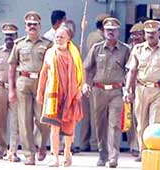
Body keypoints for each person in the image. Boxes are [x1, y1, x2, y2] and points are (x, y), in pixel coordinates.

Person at [124, 19, 160, 162]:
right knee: (141, 124)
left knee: (156, 124)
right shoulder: (138, 49)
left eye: (153, 33)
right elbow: (132, 71)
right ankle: (143, 152)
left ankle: (155, 154)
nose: (150, 35)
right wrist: (128, 90)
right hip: (141, 89)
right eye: (148, 33)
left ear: (159, 33)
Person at [83, 17, 130, 168]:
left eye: (113, 30)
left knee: (115, 124)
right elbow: (87, 67)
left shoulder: (125, 49)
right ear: (103, 31)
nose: (111, 32)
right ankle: (102, 154)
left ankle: (113, 157)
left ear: (118, 32)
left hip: (116, 91)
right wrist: (85, 84)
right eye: (108, 30)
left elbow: (129, 70)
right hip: (99, 91)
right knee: (100, 124)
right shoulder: (96, 48)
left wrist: (127, 88)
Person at [7, 11, 51, 165]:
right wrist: (11, 89)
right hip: (23, 82)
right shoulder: (19, 44)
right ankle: (29, 154)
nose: (32, 27)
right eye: (29, 24)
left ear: (40, 26)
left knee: (43, 119)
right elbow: (12, 67)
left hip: (41, 83)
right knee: (24, 121)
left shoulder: (47, 44)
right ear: (25, 27)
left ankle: (42, 144)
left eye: (35, 24)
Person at [37, 24, 84, 167]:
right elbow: (44, 74)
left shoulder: (74, 54)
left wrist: (79, 89)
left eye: (62, 37)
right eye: (57, 37)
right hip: (53, 95)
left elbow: (81, 74)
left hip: (71, 95)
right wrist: (40, 92)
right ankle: (55, 156)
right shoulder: (50, 53)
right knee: (54, 128)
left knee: (69, 128)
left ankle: (67, 152)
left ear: (68, 38)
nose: (58, 39)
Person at [0, 23, 20, 161]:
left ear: (16, 36)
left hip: (16, 90)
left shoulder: (20, 51)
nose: (9, 38)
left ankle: (13, 151)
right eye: (6, 35)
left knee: (15, 122)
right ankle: (1, 149)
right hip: (0, 88)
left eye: (11, 35)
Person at [80, 13, 110, 152]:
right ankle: (93, 143)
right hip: (94, 79)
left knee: (89, 113)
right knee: (95, 114)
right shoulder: (98, 39)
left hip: (90, 78)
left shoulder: (93, 36)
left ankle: (85, 142)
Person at [126, 23, 145, 158]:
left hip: (145, 86)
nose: (136, 37)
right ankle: (134, 145)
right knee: (131, 118)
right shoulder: (129, 48)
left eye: (139, 34)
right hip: (131, 86)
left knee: (143, 119)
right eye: (133, 35)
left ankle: (143, 148)